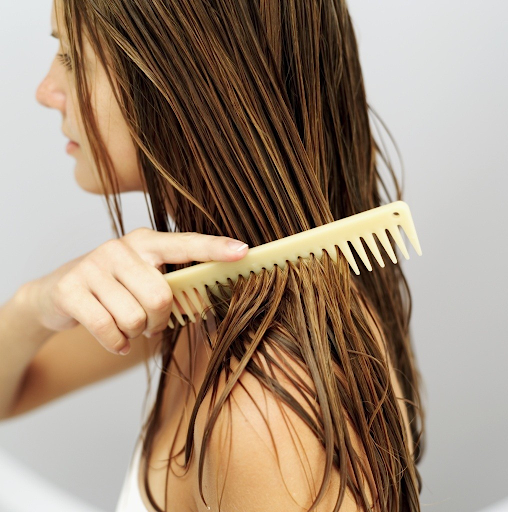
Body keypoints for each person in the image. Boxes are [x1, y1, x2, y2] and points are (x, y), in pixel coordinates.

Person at [0, 1, 426, 511]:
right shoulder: (206, 292)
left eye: (71, 58)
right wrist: (35, 303)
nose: (45, 92)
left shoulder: (265, 413)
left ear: (183, 83)